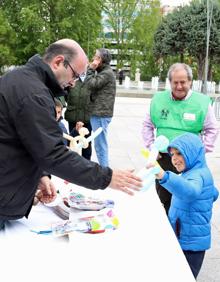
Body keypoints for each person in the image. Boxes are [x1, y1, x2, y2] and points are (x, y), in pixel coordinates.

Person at [0, 39, 142, 230]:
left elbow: (26, 141)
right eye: (75, 75)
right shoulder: (34, 93)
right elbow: (54, 155)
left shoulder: (19, 78)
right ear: (58, 62)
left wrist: (40, 175)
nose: (73, 83)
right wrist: (106, 177)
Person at [142, 63, 219, 214]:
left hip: (189, 161)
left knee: (186, 198)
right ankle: (168, 230)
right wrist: (152, 147)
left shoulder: (202, 102)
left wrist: (201, 150)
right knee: (164, 198)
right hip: (164, 158)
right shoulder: (158, 99)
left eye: (183, 82)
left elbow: (212, 129)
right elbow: (147, 125)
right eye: (175, 82)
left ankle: (181, 229)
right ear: (169, 82)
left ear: (190, 81)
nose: (179, 86)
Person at [151, 133, 219, 279]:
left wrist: (164, 176)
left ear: (193, 152)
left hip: (189, 244)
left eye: (180, 153)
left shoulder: (196, 175)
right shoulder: (196, 172)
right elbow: (213, 193)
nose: (174, 159)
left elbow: (190, 192)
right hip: (187, 238)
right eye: (172, 154)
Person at [86, 48, 116, 167]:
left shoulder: (106, 73)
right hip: (99, 113)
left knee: (100, 144)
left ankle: (105, 171)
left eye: (95, 56)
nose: (93, 58)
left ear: (100, 60)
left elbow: (91, 84)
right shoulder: (104, 72)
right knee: (99, 143)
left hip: (101, 114)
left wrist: (90, 69)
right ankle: (104, 169)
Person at [65, 75, 92, 160]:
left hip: (86, 117)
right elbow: (64, 94)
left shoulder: (92, 79)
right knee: (73, 141)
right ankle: (73, 162)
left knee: (86, 143)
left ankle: (87, 163)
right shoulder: (71, 77)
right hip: (73, 116)